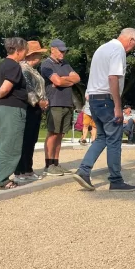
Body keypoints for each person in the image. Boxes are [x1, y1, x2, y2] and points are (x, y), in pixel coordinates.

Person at [71, 28, 135, 192]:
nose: (132, 49)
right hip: (106, 100)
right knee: (114, 140)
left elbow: (94, 74)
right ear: (131, 40)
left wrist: (89, 94)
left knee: (101, 137)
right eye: (134, 46)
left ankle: (84, 170)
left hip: (94, 98)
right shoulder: (118, 50)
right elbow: (113, 78)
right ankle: (116, 180)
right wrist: (118, 106)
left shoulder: (101, 48)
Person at [0, 37, 28, 190]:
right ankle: (3, 180)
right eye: (24, 51)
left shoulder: (2, 65)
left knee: (0, 144)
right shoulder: (14, 66)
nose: (25, 54)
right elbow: (5, 88)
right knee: (10, 144)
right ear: (18, 51)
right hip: (12, 109)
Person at [40, 39, 81, 176]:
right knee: (53, 133)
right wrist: (66, 80)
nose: (63, 53)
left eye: (64, 50)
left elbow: (77, 78)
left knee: (61, 134)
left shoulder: (66, 64)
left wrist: (62, 81)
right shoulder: (46, 64)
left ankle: (56, 163)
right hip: (54, 102)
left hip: (67, 102)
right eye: (61, 50)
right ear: (53, 49)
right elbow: (56, 81)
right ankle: (49, 164)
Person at [13, 41, 49, 182]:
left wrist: (44, 101)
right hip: (28, 107)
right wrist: (39, 101)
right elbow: (27, 89)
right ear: (32, 55)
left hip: (36, 108)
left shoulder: (33, 70)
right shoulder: (23, 68)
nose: (40, 56)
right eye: (39, 53)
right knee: (25, 139)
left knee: (31, 139)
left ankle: (28, 168)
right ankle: (19, 170)